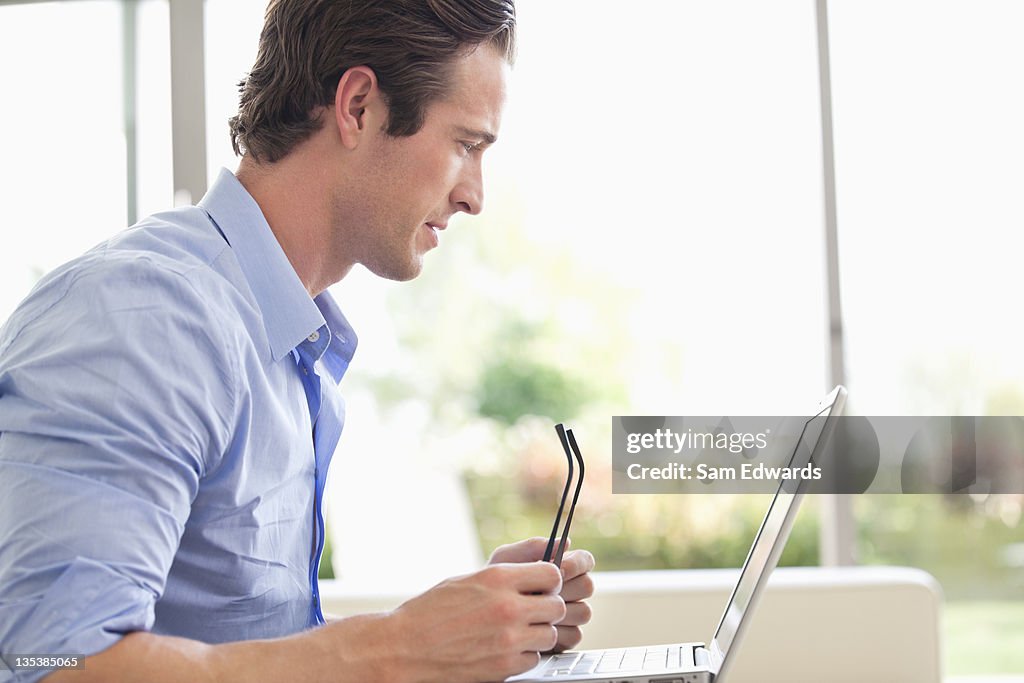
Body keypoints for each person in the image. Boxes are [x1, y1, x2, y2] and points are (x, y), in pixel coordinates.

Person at [0, 1, 595, 681]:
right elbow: (45, 660)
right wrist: (396, 648)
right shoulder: (147, 317)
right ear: (358, 106)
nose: (475, 197)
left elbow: (245, 644)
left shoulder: (288, 346)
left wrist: (454, 635)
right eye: (466, 144)